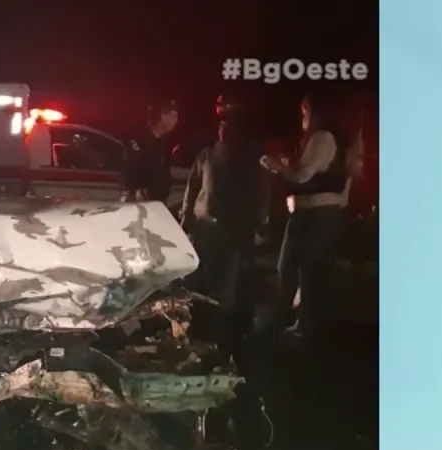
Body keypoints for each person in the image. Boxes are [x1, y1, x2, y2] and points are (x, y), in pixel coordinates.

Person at [180, 97, 270, 357]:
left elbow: (261, 191)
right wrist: (187, 216)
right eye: (221, 126)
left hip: (234, 228)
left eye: (229, 127)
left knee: (227, 279)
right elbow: (192, 187)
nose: (224, 130)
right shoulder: (206, 155)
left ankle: (221, 331)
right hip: (205, 226)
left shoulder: (250, 157)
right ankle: (197, 324)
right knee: (198, 276)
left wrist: (260, 222)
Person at [259, 95, 352, 342]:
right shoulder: (334, 140)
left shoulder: (322, 137)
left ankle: (297, 322)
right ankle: (296, 319)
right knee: (300, 267)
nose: (303, 118)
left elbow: (301, 176)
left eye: (305, 112)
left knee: (300, 267)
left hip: (315, 212)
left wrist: (277, 166)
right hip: (318, 212)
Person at [122, 100, 179, 203]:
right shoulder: (140, 141)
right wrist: (137, 192)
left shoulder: (164, 143)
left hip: (158, 202)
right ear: (162, 115)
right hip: (140, 203)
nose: (176, 120)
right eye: (173, 115)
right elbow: (130, 171)